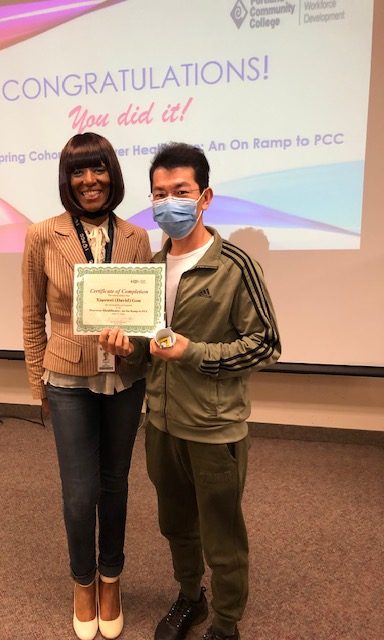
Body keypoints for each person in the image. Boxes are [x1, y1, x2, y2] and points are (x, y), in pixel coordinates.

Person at [99, 142, 280, 640]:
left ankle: (225, 626)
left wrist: (192, 352)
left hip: (214, 428)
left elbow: (266, 345)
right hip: (160, 424)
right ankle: (190, 598)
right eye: (159, 194)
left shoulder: (235, 266)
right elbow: (145, 351)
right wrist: (123, 347)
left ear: (205, 197)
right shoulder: (150, 270)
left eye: (180, 191)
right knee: (177, 526)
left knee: (223, 537)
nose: (168, 203)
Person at [22, 132, 152, 640]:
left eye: (98, 169)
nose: (89, 180)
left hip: (124, 380)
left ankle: (111, 579)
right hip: (68, 379)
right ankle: (83, 582)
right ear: (67, 179)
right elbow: (32, 317)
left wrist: (135, 344)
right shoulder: (41, 235)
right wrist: (40, 387)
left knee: (115, 484)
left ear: (112, 174)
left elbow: (146, 315)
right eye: (78, 171)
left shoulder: (137, 237)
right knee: (79, 494)